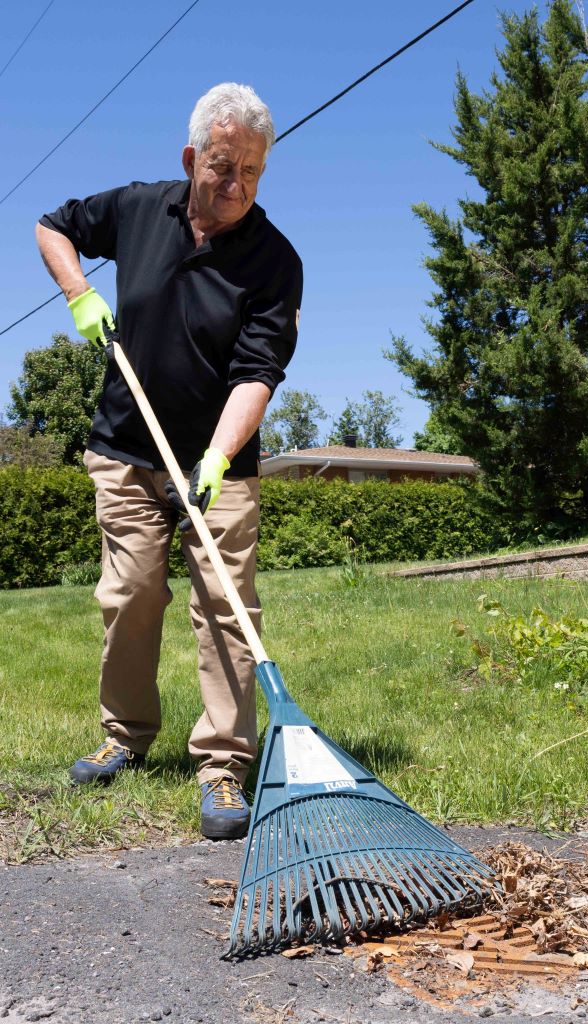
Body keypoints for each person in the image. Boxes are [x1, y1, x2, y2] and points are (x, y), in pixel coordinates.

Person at [35, 82, 303, 840]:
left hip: (218, 460)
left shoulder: (274, 261)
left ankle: (221, 766)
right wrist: (78, 292)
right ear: (192, 158)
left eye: (251, 172)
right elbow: (50, 226)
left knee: (224, 605)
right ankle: (125, 737)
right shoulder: (138, 209)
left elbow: (257, 374)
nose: (236, 185)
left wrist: (217, 460)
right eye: (223, 166)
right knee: (132, 593)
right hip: (125, 447)